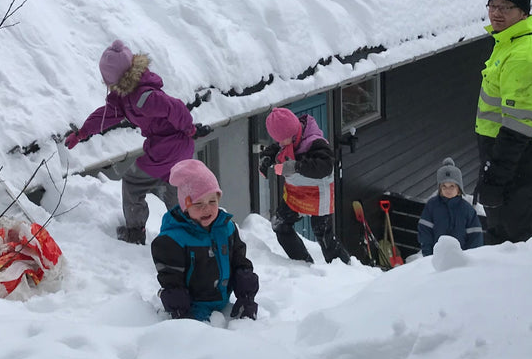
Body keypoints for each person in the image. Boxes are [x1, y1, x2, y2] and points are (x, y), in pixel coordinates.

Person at [64, 40, 198, 244]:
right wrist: (83, 132)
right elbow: (106, 115)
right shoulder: (127, 98)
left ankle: (135, 233)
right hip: (170, 146)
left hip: (169, 147)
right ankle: (189, 234)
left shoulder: (142, 97)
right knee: (171, 187)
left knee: (133, 182)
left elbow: (175, 107)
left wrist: (188, 127)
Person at [474, 0, 532, 244]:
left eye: (506, 7)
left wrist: (496, 179)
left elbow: (516, 128)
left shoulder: (522, 57)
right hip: (523, 155)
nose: (497, 13)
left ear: (523, 13)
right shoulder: (512, 41)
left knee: (513, 243)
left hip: (517, 161)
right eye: (493, 5)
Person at [150, 159, 258, 322]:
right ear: (185, 207)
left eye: (212, 201)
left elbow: (240, 264)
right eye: (198, 204)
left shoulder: (226, 228)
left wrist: (246, 297)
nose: (206, 208)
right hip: (192, 311)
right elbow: (172, 281)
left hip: (225, 308)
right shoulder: (173, 240)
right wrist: (181, 313)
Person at [259, 107, 351, 264]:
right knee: (280, 224)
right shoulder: (288, 139)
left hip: (318, 194)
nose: (280, 143)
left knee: (323, 234)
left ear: (294, 133)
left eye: (282, 140)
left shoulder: (315, 142)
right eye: (277, 140)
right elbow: (276, 149)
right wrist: (267, 158)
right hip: (296, 193)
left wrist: (295, 166)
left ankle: (344, 268)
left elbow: (326, 166)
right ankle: (302, 263)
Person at [417, 158, 484, 256]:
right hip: (436, 257)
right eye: (444, 186)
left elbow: (475, 237)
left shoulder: (467, 209)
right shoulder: (432, 206)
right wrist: (428, 254)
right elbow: (425, 231)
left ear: (459, 188)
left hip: (461, 258)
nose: (448, 190)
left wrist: (469, 257)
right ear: (440, 188)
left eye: (452, 186)